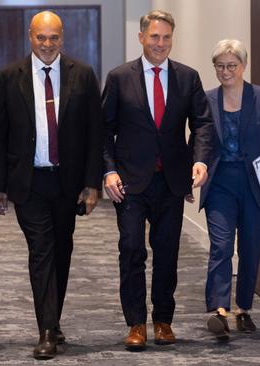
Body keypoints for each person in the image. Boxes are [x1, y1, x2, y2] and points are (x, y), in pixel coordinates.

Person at [0, 10, 103, 360]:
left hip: (67, 183)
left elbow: (94, 135)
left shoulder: (81, 75)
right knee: (42, 252)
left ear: (62, 37)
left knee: (62, 250)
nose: (48, 44)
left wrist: (91, 183)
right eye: (41, 37)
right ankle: (47, 331)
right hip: (29, 182)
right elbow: (0, 135)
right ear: (30, 36)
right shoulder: (9, 76)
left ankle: (53, 318)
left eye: (54, 37)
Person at [102, 10, 217, 351]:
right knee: (132, 250)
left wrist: (199, 160)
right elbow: (104, 130)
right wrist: (108, 170)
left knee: (167, 252)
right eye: (154, 37)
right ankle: (136, 322)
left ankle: (163, 320)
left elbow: (203, 124)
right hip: (130, 183)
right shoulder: (119, 77)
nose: (160, 44)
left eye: (166, 37)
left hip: (171, 181)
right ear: (141, 38)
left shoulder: (187, 77)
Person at [201, 39, 260, 341]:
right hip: (220, 183)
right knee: (221, 246)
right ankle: (219, 311)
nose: (225, 72)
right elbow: (200, 141)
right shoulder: (208, 99)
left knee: (250, 247)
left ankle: (243, 308)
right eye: (220, 66)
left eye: (231, 66)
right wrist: (195, 167)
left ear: (243, 66)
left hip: (255, 183)